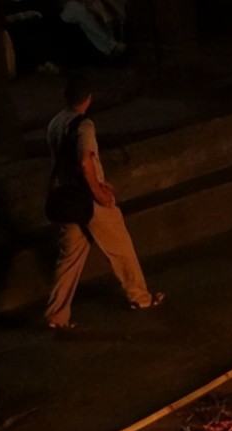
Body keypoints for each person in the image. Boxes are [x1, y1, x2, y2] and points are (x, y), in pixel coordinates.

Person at [44, 74, 161, 330]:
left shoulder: (54, 123)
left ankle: (56, 314)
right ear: (88, 99)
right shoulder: (85, 126)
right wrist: (98, 190)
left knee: (69, 259)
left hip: (66, 198)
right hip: (88, 200)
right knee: (121, 248)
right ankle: (141, 298)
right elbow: (85, 161)